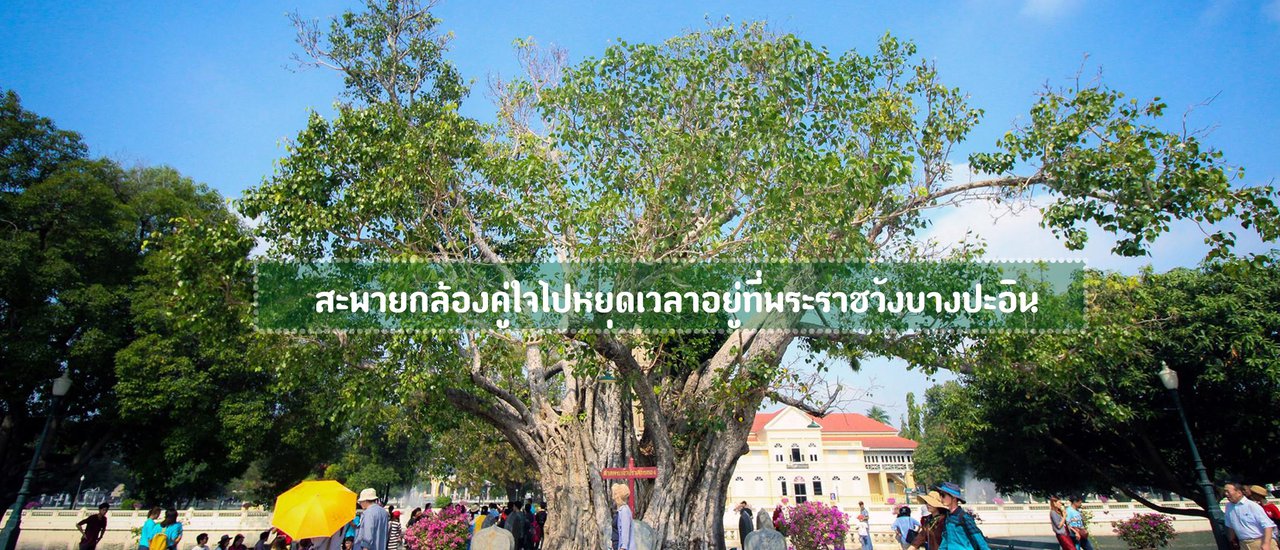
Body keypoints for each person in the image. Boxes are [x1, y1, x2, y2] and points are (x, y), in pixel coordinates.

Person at [936, 482, 991, 550]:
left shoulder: (964, 517)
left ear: (954, 498)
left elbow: (978, 538)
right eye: (940, 495)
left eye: (943, 495)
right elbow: (945, 539)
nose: (941, 498)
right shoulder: (948, 517)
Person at [1225, 482, 1276, 550]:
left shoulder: (1252, 506)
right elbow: (1230, 525)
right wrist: (1232, 540)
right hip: (1243, 544)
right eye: (1225, 491)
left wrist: (1266, 544)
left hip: (1260, 542)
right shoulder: (1229, 507)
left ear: (1239, 493)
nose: (1226, 494)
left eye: (1228, 492)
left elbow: (1268, 526)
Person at [611, 484, 635, 550]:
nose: (613, 498)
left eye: (615, 495)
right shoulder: (619, 511)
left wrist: (623, 547)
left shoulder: (624, 511)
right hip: (616, 546)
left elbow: (625, 531)